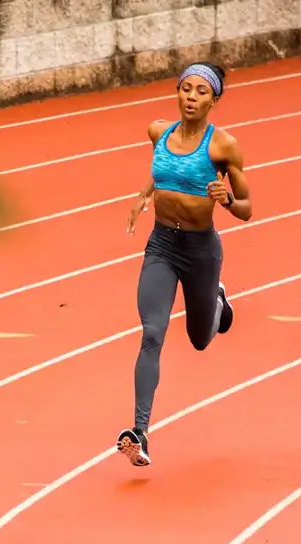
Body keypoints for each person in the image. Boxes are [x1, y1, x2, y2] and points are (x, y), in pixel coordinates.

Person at [116, 61, 253, 467]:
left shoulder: (223, 146)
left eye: (201, 92)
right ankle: (139, 432)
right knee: (152, 333)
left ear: (214, 99)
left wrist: (227, 200)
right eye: (185, 89)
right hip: (161, 245)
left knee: (199, 338)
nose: (191, 97)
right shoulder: (159, 131)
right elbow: (163, 170)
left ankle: (218, 304)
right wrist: (144, 194)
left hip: (200, 251)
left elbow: (247, 209)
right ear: (177, 92)